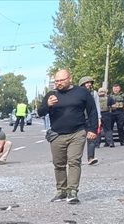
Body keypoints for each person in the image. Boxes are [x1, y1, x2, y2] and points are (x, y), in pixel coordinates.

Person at [36, 69, 97, 204]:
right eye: (56, 81)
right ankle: (61, 191)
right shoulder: (51, 95)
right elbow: (40, 112)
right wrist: (48, 105)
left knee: (74, 161)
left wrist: (92, 129)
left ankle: (72, 191)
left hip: (77, 132)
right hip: (57, 135)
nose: (58, 83)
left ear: (70, 79)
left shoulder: (82, 92)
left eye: (61, 80)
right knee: (58, 164)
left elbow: (92, 111)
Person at [78, 76, 102, 166]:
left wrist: (99, 118)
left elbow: (97, 106)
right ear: (82, 84)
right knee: (78, 140)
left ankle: (91, 158)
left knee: (92, 138)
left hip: (91, 118)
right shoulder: (77, 93)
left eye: (90, 83)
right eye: (86, 83)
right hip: (79, 119)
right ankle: (77, 159)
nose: (89, 84)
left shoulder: (94, 93)